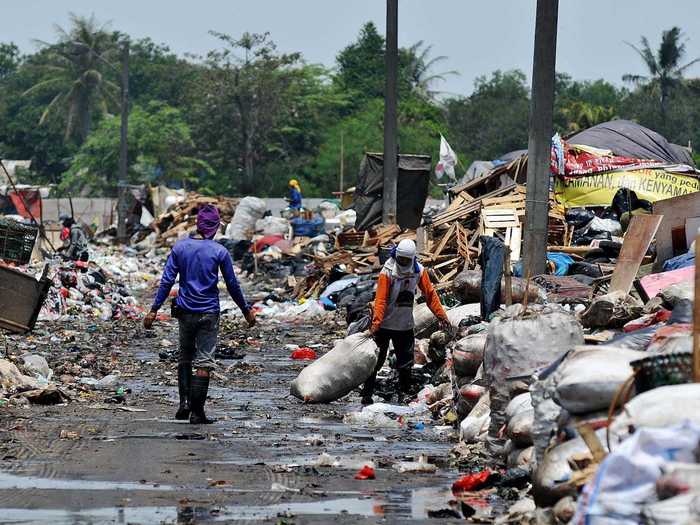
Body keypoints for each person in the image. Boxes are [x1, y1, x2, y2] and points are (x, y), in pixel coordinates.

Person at [143, 204, 256, 424]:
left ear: (197, 224)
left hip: (185, 311)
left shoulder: (180, 248)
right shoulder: (219, 251)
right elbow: (232, 284)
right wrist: (246, 310)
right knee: (204, 361)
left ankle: (184, 403)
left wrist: (154, 309)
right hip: (208, 312)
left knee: (185, 356)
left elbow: (167, 280)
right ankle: (197, 412)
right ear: (214, 227)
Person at [361, 239, 449, 405]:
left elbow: (430, 295)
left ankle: (403, 393)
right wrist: (375, 325)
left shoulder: (418, 271)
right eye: (400, 259)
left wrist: (442, 316)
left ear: (412, 259)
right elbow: (380, 300)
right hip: (384, 324)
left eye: (406, 260)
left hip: (404, 324)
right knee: (376, 360)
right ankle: (367, 393)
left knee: (406, 363)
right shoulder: (387, 271)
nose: (402, 262)